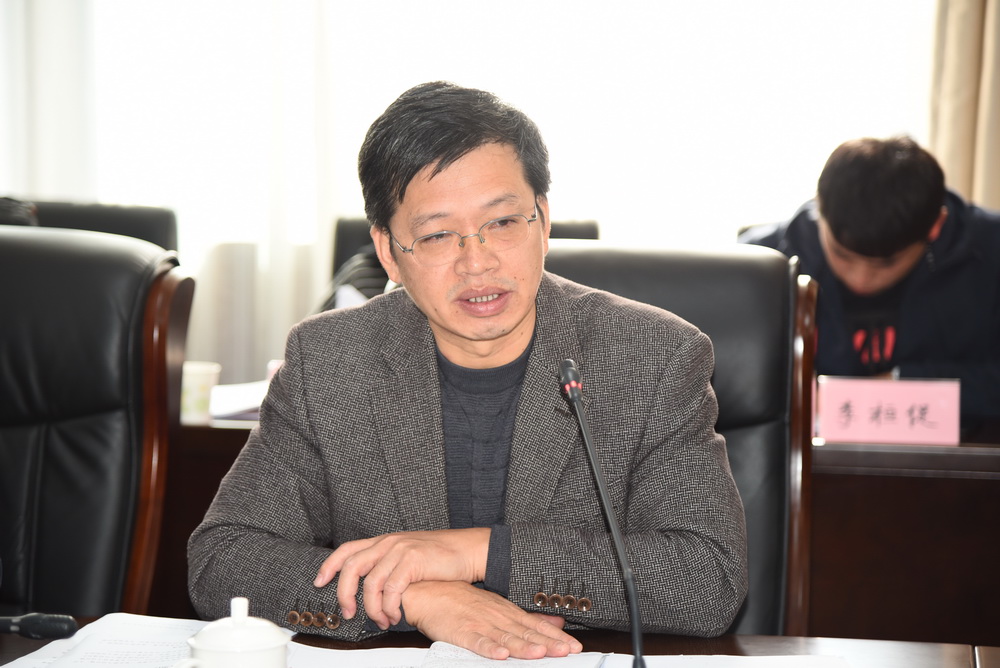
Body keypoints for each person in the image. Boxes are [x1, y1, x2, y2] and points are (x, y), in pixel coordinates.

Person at [188, 81, 748, 659]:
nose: (477, 262)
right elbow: (223, 560)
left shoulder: (652, 356)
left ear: (543, 221)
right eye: (436, 235)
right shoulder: (330, 361)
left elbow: (708, 580)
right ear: (389, 252)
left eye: (503, 223)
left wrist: (477, 553)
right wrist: (415, 596)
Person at [739, 136, 1000, 435]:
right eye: (842, 255)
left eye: (886, 264)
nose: (860, 278)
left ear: (935, 227)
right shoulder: (758, 262)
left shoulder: (990, 251)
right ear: (819, 212)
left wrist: (901, 382)